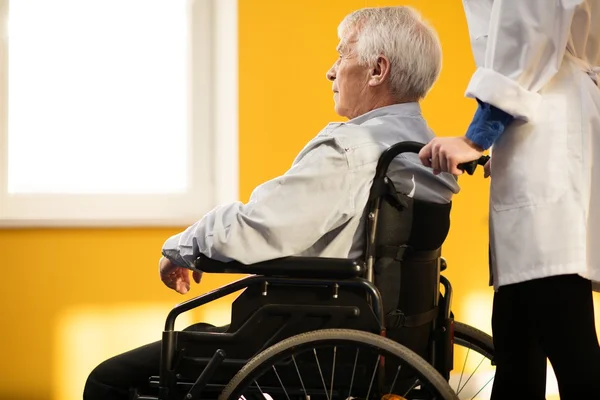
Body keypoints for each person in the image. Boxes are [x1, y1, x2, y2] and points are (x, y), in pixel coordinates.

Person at [83, 6, 460, 400]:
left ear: (377, 70)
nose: (331, 72)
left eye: (342, 54)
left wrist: (185, 246)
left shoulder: (353, 151)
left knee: (108, 380)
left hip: (311, 339)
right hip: (392, 339)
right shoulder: (426, 155)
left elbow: (257, 230)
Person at [418, 1, 600, 399]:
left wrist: (477, 136)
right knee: (518, 340)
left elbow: (528, 28)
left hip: (543, 124)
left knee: (565, 337)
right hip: (545, 119)